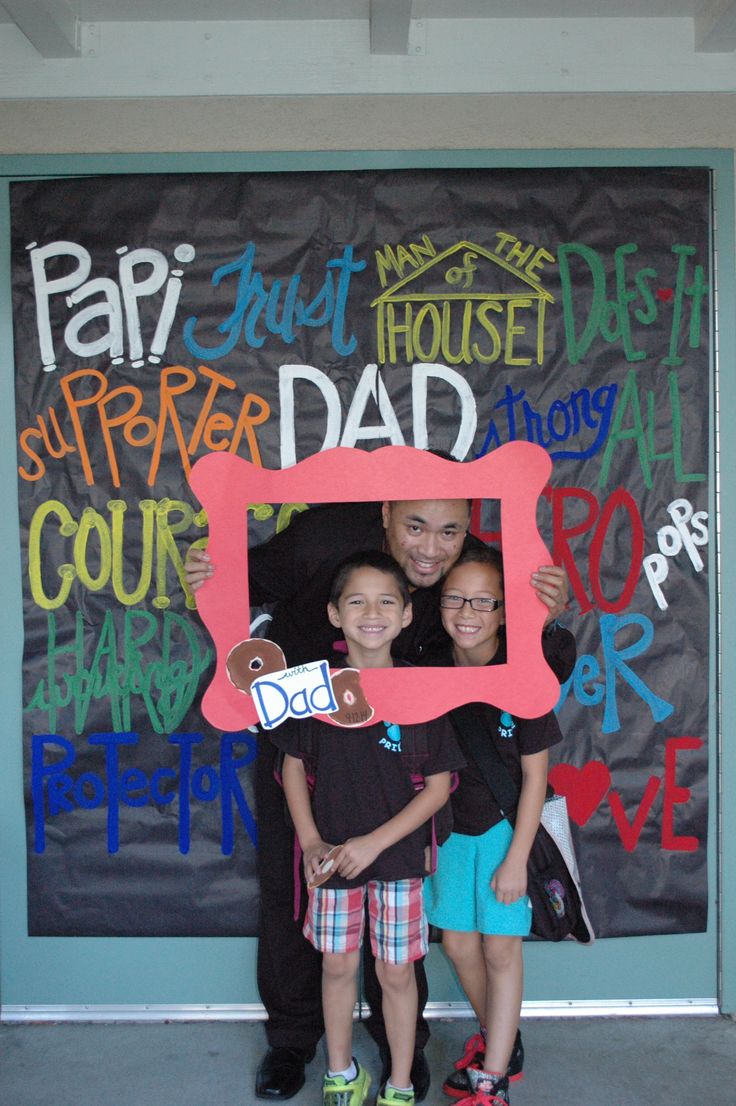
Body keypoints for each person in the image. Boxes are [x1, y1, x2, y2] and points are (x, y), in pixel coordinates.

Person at [185, 494, 574, 1101]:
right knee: (296, 883)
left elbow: (521, 658)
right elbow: (242, 579)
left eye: (449, 532)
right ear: (388, 513)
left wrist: (541, 612)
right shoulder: (324, 536)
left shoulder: (463, 576)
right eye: (417, 526)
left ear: (467, 529)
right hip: (305, 735)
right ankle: (292, 1040)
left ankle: (403, 1051)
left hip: (407, 752)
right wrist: (208, 576)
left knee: (401, 900)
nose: (431, 547)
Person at [270, 550, 465, 1106]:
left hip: (398, 862)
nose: (371, 612)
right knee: (336, 966)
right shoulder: (312, 689)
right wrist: (311, 841)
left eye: (387, 601)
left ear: (407, 615)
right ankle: (340, 1074)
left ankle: (400, 1083)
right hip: (330, 858)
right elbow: (290, 764)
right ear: (335, 614)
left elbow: (438, 786)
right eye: (356, 601)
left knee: (397, 974)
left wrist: (374, 843)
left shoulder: (422, 693)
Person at [425, 545, 564, 1106]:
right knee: (459, 945)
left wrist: (516, 859)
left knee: (502, 951)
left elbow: (536, 779)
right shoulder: (426, 673)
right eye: (456, 598)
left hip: (507, 833)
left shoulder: (525, 674)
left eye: (485, 601)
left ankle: (494, 1078)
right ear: (438, 605)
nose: (468, 611)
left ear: (506, 612)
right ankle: (501, 1037)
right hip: (450, 833)